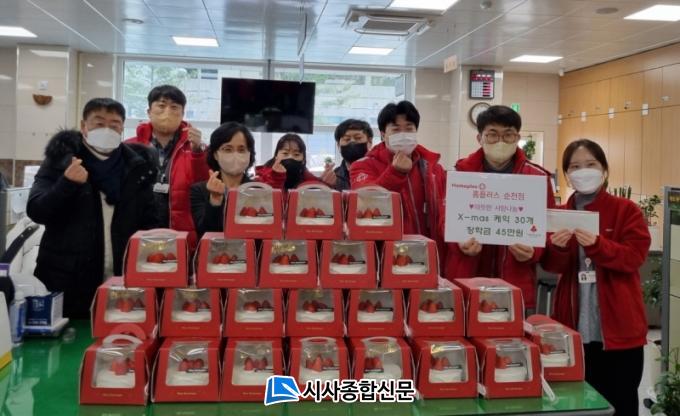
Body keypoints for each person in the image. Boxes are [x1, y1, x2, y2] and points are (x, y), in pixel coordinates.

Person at [543, 139, 649, 416]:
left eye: (590, 164)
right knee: (576, 402)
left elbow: (634, 257)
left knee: (621, 400)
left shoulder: (626, 210)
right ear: (567, 174)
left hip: (619, 329)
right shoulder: (560, 214)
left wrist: (598, 245)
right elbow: (552, 265)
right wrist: (558, 248)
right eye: (575, 166)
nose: (583, 171)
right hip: (574, 325)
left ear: (604, 169)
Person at [27, 98, 158, 318]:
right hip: (68, 278)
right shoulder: (61, 161)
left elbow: (150, 220)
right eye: (99, 123)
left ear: (122, 128)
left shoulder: (137, 166)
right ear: (83, 126)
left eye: (114, 125)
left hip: (122, 278)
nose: (107, 130)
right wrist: (66, 184)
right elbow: (37, 210)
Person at [443, 105, 555, 311]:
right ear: (480, 138)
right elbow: (444, 221)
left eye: (508, 135)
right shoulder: (459, 175)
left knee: (510, 330)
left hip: (515, 280)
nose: (500, 141)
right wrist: (458, 243)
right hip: (466, 276)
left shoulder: (537, 178)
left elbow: (548, 227)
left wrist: (533, 251)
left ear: (517, 137)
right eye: (493, 134)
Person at [350, 100, 447, 258]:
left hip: (429, 253)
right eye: (395, 130)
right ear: (383, 135)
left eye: (409, 129)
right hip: (388, 254)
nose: (403, 135)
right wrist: (396, 173)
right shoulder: (363, 166)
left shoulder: (433, 168)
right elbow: (366, 205)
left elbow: (445, 210)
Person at [125, 85, 209, 250]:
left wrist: (198, 152)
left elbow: (204, 187)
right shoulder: (129, 147)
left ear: (182, 114)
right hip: (139, 231)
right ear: (149, 112)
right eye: (161, 106)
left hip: (181, 233)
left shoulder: (197, 148)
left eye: (174, 107)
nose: (167, 112)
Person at [190, 122, 255, 237]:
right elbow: (204, 233)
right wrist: (214, 201)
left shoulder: (258, 190)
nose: (235, 154)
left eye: (241, 150)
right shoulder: (199, 190)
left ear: (249, 154)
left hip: (249, 248)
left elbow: (263, 233)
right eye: (227, 149)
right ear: (215, 154)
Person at [320, 119, 373, 191]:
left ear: (369, 142)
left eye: (358, 138)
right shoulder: (334, 176)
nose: (352, 141)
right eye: (347, 139)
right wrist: (326, 185)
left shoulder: (379, 171)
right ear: (338, 145)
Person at [256, 133, 320, 190]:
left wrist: (325, 183)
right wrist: (277, 177)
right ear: (276, 156)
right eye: (285, 153)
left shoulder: (310, 180)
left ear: (303, 160)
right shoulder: (261, 177)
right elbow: (265, 196)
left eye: (296, 154)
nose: (290, 157)